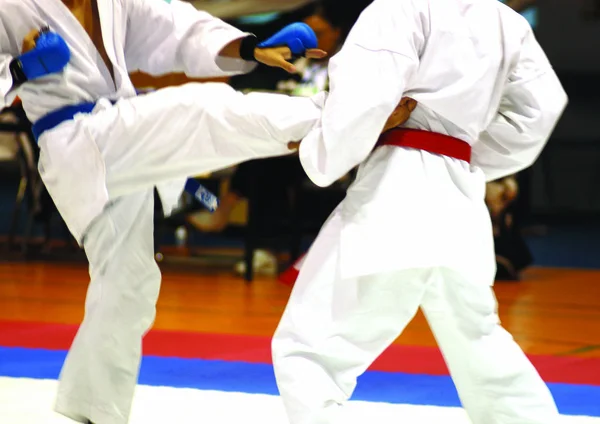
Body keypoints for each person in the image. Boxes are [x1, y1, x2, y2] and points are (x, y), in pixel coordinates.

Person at [0, 1, 331, 422]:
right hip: (77, 139)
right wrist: (20, 71)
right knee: (201, 111)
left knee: (128, 286)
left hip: (118, 136)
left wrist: (248, 48)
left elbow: (174, 26)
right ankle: (327, 117)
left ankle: (92, 410)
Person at [271, 2, 568, 424]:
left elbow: (365, 99)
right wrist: (463, 152)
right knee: (478, 341)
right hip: (459, 192)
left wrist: (320, 156)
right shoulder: (506, 20)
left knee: (310, 350)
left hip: (395, 188)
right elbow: (540, 110)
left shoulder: (398, 7)